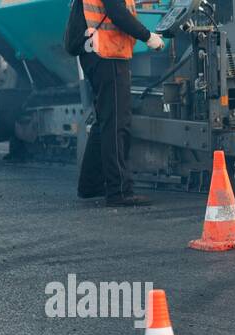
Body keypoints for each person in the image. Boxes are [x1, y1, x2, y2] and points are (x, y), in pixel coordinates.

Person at [77, 0, 164, 205]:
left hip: (97, 53)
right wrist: (148, 36)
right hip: (108, 54)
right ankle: (119, 192)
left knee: (105, 122)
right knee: (117, 123)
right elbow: (117, 12)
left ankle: (90, 185)